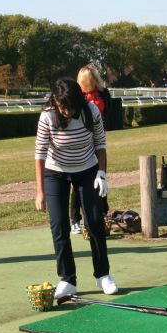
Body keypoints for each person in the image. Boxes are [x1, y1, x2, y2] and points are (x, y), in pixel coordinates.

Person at [34, 78, 117, 299]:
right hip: (55, 172)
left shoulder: (90, 111)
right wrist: (40, 192)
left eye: (70, 107)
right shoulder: (47, 116)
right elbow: (40, 155)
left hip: (87, 169)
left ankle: (103, 275)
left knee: (94, 222)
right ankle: (67, 280)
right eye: (62, 107)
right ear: (55, 101)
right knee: (59, 226)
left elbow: (100, 144)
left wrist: (102, 173)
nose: (67, 111)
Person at [69, 64, 111, 234]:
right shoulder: (76, 96)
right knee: (77, 182)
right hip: (81, 142)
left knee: (101, 177)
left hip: (98, 141)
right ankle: (75, 219)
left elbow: (107, 113)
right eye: (86, 81)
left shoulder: (103, 94)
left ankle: (102, 213)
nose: (89, 83)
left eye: (92, 80)